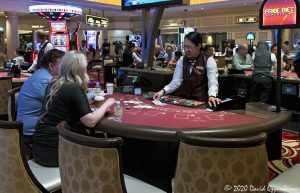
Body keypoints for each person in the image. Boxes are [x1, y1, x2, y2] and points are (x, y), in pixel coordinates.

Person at [32, 51, 116, 167]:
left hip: (38, 149)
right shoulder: (73, 88)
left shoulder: (53, 84)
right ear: (80, 70)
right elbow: (90, 121)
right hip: (55, 153)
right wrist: (107, 103)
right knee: (103, 155)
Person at [153, 32, 221, 107]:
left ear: (198, 46)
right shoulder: (182, 59)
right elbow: (176, 81)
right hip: (184, 101)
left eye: (189, 47)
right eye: (184, 46)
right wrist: (163, 91)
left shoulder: (209, 60)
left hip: (200, 102)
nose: (186, 49)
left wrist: (212, 95)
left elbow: (213, 82)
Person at [17, 49, 65, 146]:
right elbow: (58, 103)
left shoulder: (41, 74)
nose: (65, 68)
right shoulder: (44, 80)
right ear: (51, 66)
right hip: (31, 133)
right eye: (63, 66)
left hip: (36, 126)